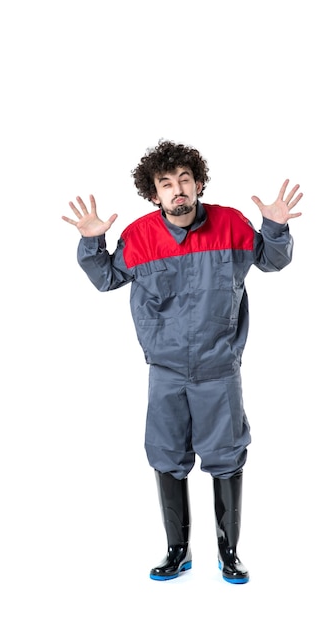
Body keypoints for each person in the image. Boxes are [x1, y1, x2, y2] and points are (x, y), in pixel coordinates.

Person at [61, 139, 303, 584]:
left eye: (185, 180)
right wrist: (93, 242)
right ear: (154, 194)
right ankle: (178, 550)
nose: (178, 190)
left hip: (219, 367)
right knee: (167, 454)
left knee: (226, 456)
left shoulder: (230, 223)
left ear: (198, 184)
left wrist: (275, 227)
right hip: (166, 371)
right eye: (166, 183)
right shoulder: (139, 236)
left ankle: (229, 553)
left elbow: (273, 261)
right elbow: (106, 279)